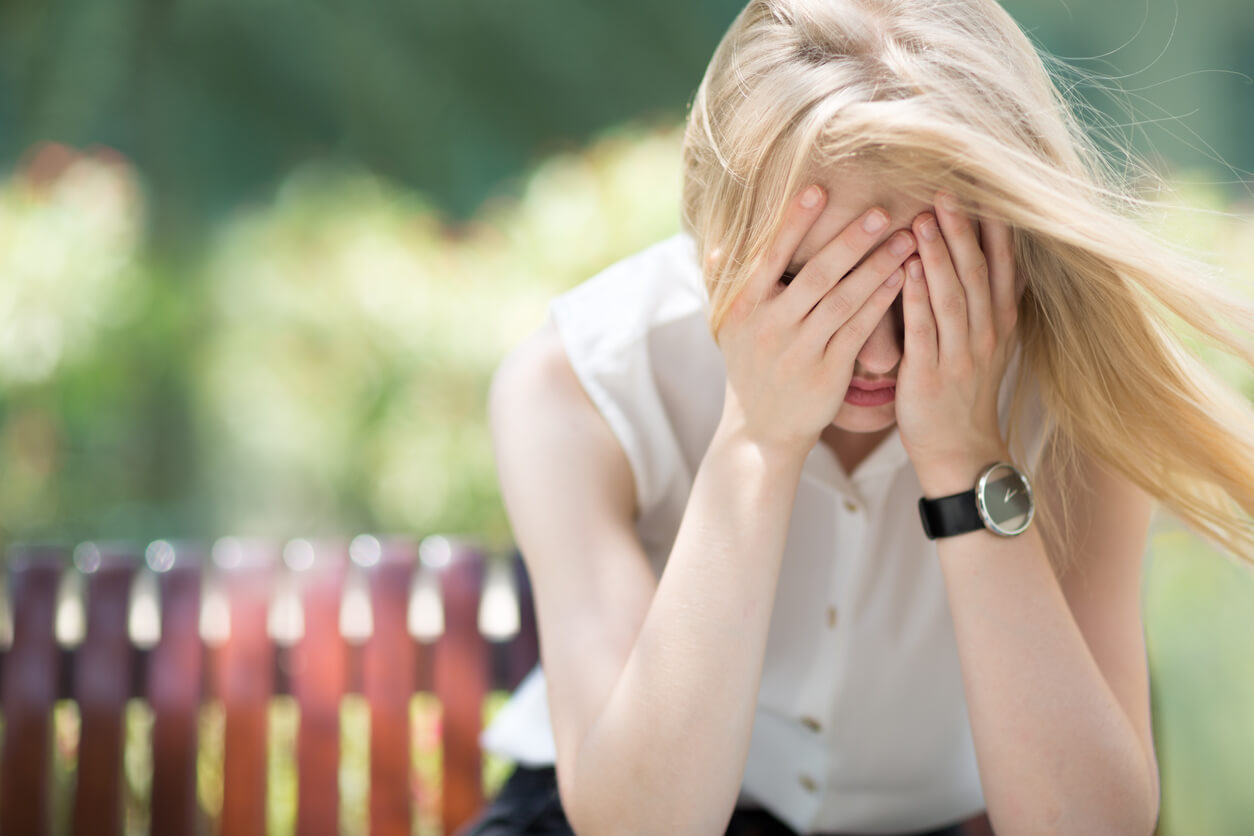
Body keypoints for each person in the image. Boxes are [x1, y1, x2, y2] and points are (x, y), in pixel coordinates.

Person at [459, 1, 1254, 834]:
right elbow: (635, 823)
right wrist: (756, 441)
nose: (874, 357)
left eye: (922, 287)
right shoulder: (579, 381)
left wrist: (966, 461)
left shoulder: (1077, 386)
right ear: (713, 236)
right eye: (821, 289)